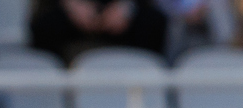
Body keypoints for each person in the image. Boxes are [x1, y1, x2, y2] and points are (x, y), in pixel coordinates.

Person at [29, 0, 168, 64]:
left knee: (151, 22)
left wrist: (127, 7)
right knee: (49, 24)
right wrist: (71, 5)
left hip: (123, 22)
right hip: (68, 21)